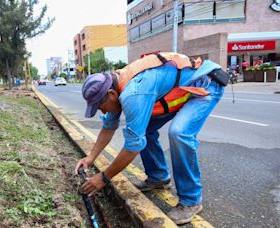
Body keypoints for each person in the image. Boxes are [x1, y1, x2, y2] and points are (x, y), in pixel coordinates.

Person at [74, 53, 225, 224]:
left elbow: (133, 147)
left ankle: (191, 201)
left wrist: (103, 178)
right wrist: (90, 158)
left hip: (205, 84)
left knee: (179, 133)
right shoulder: (116, 85)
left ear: (111, 94)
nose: (102, 111)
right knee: (141, 128)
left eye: (101, 106)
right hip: (179, 90)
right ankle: (158, 177)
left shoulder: (133, 93)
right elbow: (108, 127)